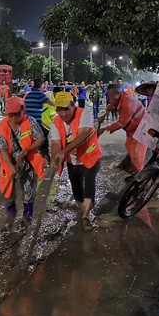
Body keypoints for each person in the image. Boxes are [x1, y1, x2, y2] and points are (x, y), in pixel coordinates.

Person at [50, 92, 102, 227]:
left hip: (90, 155)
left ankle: (85, 217)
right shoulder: (55, 122)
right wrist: (54, 159)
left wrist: (63, 151)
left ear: (73, 105)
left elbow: (81, 136)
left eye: (66, 109)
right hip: (73, 160)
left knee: (89, 183)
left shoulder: (84, 113)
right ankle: (83, 207)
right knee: (76, 187)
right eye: (59, 110)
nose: (63, 114)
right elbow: (55, 143)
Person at [0, 97, 46, 226]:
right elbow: (2, 149)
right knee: (8, 192)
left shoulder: (30, 121)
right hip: (9, 165)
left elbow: (40, 139)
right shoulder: (2, 126)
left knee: (29, 190)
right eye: (11, 115)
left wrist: (29, 149)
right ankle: (11, 216)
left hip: (29, 163)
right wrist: (11, 165)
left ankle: (27, 215)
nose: (14, 118)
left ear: (23, 110)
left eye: (17, 114)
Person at [100, 83, 148, 174]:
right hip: (132, 129)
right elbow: (112, 104)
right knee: (129, 146)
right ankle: (128, 165)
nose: (110, 98)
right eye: (109, 96)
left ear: (118, 93)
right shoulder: (118, 98)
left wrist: (104, 129)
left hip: (142, 129)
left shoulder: (127, 103)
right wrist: (104, 114)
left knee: (137, 154)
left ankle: (138, 174)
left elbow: (122, 123)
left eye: (111, 96)